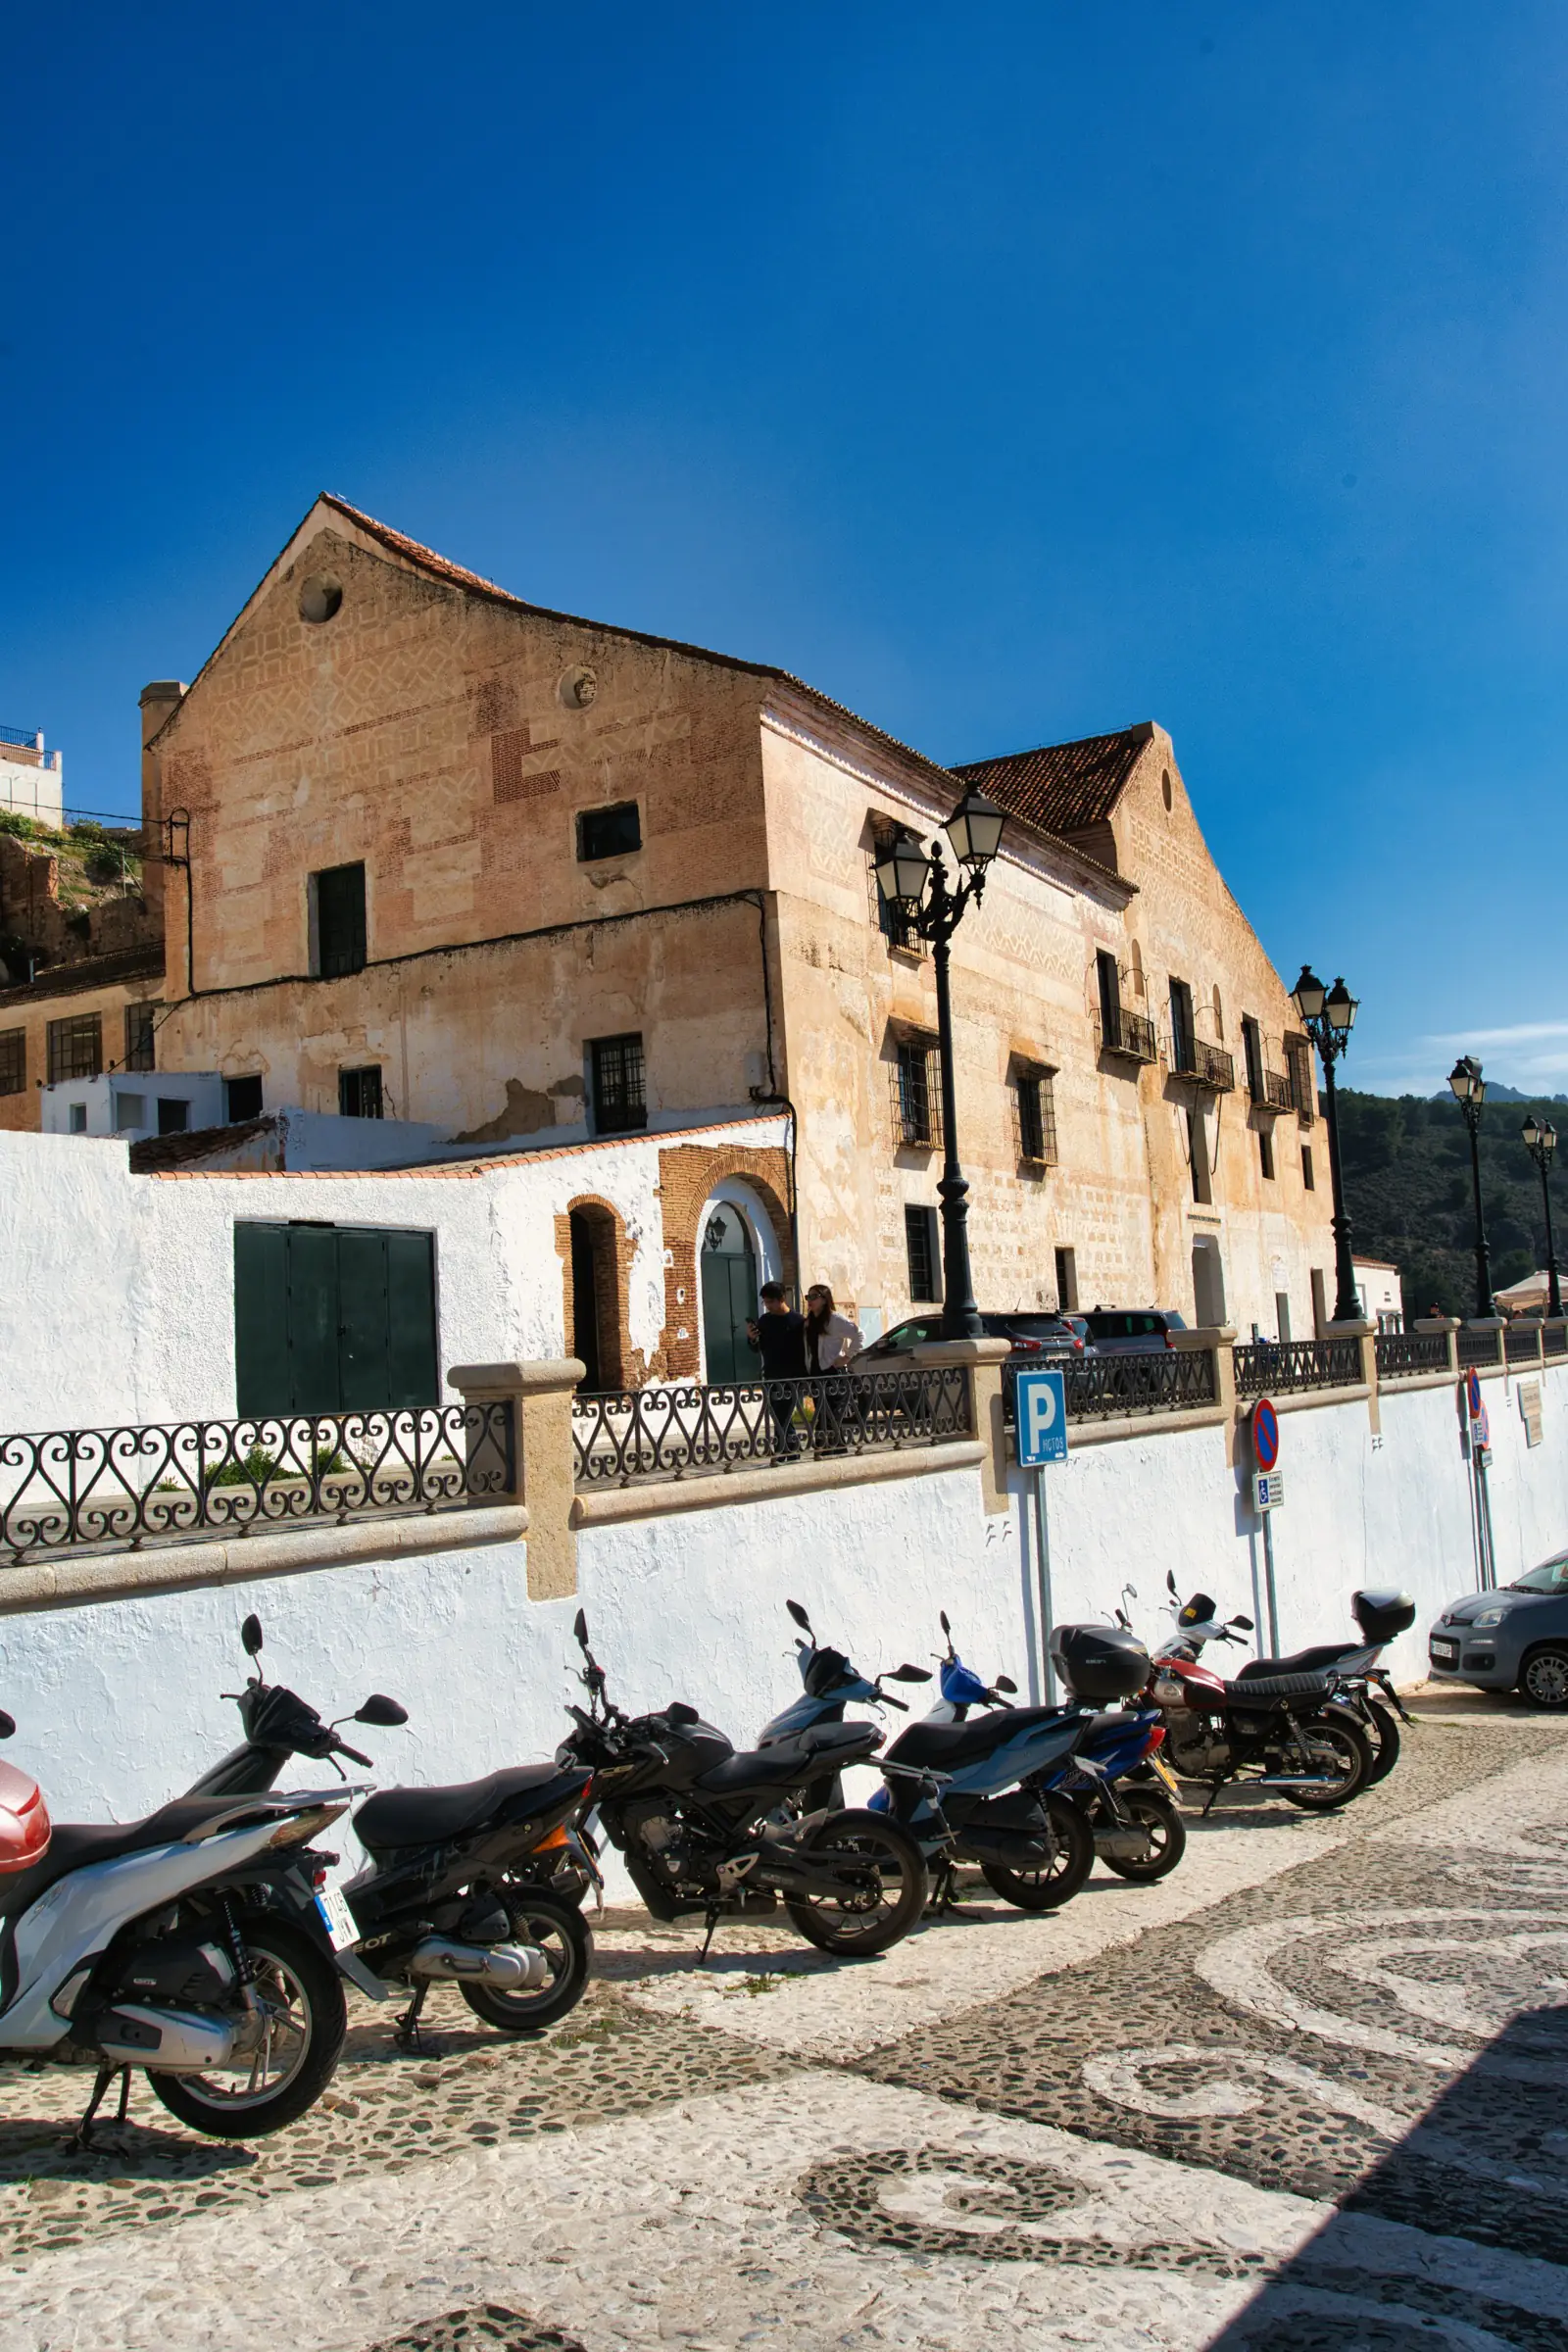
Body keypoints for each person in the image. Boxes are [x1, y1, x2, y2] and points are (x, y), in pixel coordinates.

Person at [745, 1282, 808, 1458]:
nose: (768, 1306)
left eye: (771, 1302)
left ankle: (786, 1450)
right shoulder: (765, 1321)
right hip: (771, 1374)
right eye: (765, 1302)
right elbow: (757, 1348)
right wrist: (751, 1338)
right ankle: (787, 1450)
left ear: (782, 1299)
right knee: (776, 1414)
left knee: (785, 1414)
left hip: (793, 1375)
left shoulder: (798, 1321)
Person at [805, 1285, 863, 1449]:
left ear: (824, 1299)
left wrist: (846, 1357)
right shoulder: (809, 1322)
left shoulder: (835, 1320)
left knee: (831, 1416)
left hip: (833, 1374)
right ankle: (831, 1449)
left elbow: (859, 1334)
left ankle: (830, 1449)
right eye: (808, 1297)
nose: (810, 1301)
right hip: (816, 1373)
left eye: (814, 1297)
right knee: (822, 1414)